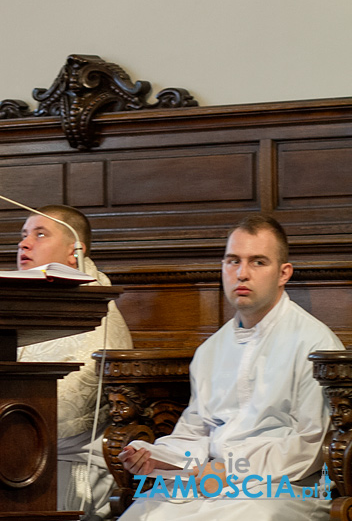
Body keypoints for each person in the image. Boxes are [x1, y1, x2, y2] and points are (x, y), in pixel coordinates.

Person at [117, 215, 342, 520]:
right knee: (142, 514)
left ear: (283, 273)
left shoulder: (315, 345)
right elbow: (195, 433)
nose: (242, 273)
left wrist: (233, 469)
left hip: (284, 486)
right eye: (233, 261)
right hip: (208, 480)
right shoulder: (211, 350)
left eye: (258, 262)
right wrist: (157, 457)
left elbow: (311, 444)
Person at [15, 206, 133, 520]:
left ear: (74, 251)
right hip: (20, 452)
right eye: (24, 235)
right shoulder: (29, 302)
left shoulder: (96, 314)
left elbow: (67, 413)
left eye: (40, 234)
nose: (24, 244)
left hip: (72, 467)